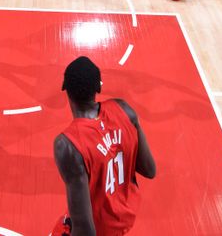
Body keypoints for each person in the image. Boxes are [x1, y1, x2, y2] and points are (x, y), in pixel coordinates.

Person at [52, 56, 156, 236]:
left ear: (66, 90)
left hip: (101, 228)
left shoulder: (68, 145)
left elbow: (86, 230)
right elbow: (149, 170)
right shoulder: (124, 109)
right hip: (124, 216)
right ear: (98, 88)